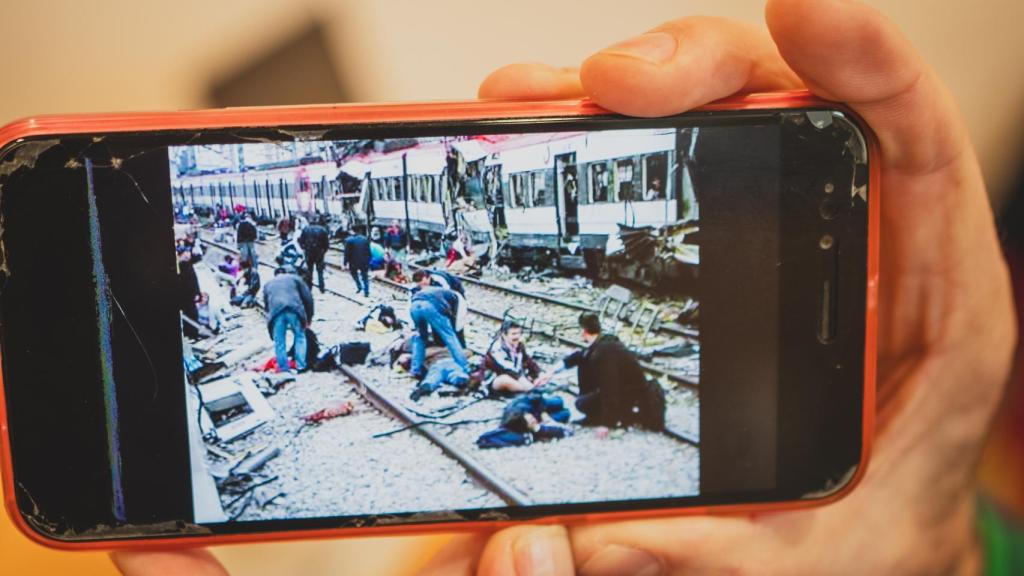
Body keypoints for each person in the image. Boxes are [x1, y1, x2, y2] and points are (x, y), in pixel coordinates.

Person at [114, 3, 1023, 575]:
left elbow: (412, 331)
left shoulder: (386, 285)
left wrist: (944, 553)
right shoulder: (439, 295)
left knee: (441, 370)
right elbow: (433, 329)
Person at [539, 313, 664, 429]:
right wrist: (551, 372)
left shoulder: (603, 353)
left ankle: (605, 417)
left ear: (584, 332)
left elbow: (610, 388)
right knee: (583, 362)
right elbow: (577, 357)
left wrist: (606, 424)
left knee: (581, 403)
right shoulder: (604, 342)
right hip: (628, 391)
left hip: (629, 396)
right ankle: (600, 415)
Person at [409, 285, 469, 380]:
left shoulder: (437, 292)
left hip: (414, 305)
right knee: (450, 337)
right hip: (430, 306)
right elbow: (460, 321)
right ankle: (465, 367)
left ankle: (415, 370)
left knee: (420, 337)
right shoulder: (459, 298)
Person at [263, 267, 314, 374]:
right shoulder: (295, 278)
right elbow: (308, 298)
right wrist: (308, 318)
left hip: (276, 313)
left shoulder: (268, 284)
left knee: (279, 342)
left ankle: (283, 369)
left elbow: (266, 306)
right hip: (294, 310)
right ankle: (301, 366)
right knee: (300, 336)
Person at [482, 320, 543, 394]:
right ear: (504, 335)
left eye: (519, 333)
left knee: (538, 379)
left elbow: (528, 361)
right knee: (506, 380)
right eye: (513, 334)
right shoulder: (496, 348)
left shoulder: (519, 345)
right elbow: (508, 370)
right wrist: (527, 384)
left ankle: (531, 391)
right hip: (494, 378)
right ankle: (531, 392)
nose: (517, 336)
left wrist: (539, 374)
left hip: (515, 375)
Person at [411, 269, 467, 347]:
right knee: (436, 323)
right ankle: (441, 346)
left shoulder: (440, 280)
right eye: (420, 285)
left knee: (455, 326)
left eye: (424, 283)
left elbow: (448, 296)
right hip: (435, 302)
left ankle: (461, 347)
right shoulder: (414, 287)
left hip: (454, 299)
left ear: (428, 278)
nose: (423, 287)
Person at [297, 218, 329, 293]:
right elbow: (326, 243)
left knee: (309, 270)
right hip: (319, 252)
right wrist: (323, 251)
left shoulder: (305, 229)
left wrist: (304, 248)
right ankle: (322, 288)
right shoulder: (322, 230)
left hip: (309, 252)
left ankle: (309, 287)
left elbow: (301, 241)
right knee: (320, 271)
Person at [343, 226, 372, 297]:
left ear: (352, 231)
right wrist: (368, 260)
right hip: (364, 261)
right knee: (365, 276)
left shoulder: (349, 240)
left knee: (354, 274)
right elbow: (369, 252)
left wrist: (345, 263)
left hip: (353, 262)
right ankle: (366, 291)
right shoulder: (365, 239)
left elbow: (347, 253)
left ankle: (359, 286)